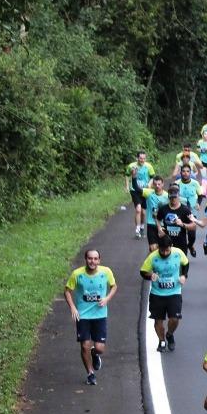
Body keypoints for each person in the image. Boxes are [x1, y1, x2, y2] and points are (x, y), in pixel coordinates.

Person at [65, 248, 117, 386]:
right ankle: (90, 373)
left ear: (99, 260)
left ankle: (95, 354)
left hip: (100, 315)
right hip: (83, 316)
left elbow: (114, 286)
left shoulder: (106, 272)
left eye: (95, 259)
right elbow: (67, 291)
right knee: (84, 346)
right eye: (90, 258)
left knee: (100, 348)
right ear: (86, 259)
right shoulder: (77, 274)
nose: (92, 261)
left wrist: (107, 299)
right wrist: (73, 307)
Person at [139, 239, 189, 353]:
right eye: (162, 250)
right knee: (158, 321)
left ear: (171, 246)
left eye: (167, 250)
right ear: (158, 248)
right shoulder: (153, 257)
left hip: (174, 292)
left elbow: (186, 263)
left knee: (175, 318)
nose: (165, 253)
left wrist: (184, 275)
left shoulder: (178, 253)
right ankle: (161, 340)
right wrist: (150, 275)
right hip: (157, 294)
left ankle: (170, 334)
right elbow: (143, 271)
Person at [126, 152, 155, 238]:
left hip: (145, 190)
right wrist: (127, 186)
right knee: (138, 210)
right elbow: (127, 175)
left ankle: (142, 226)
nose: (142, 160)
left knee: (143, 212)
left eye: (144, 158)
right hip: (134, 190)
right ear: (137, 158)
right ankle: (137, 230)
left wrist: (150, 184)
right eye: (140, 158)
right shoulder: (131, 166)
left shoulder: (149, 166)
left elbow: (153, 177)